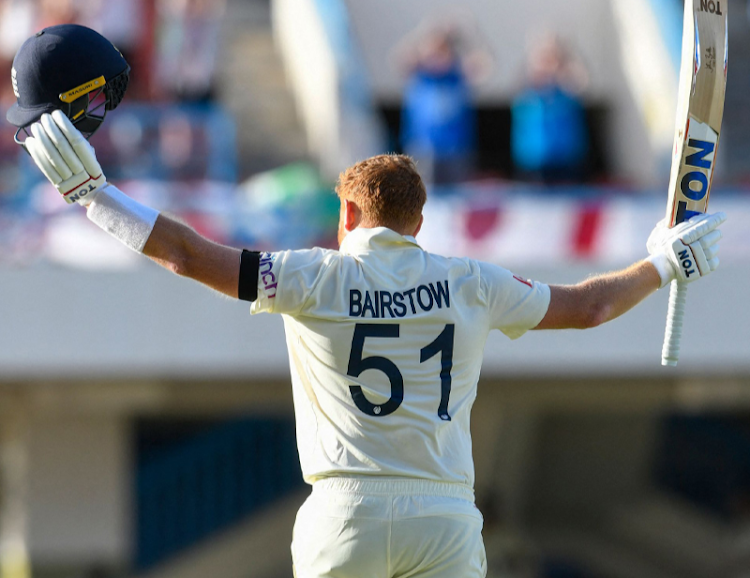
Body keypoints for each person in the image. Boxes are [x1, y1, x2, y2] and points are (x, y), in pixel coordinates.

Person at [10, 28, 725, 578]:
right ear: (419, 221)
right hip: (444, 514)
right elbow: (589, 307)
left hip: (344, 511)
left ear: (348, 216)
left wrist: (93, 198)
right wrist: (662, 262)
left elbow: (186, 255)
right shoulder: (470, 281)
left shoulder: (312, 275)